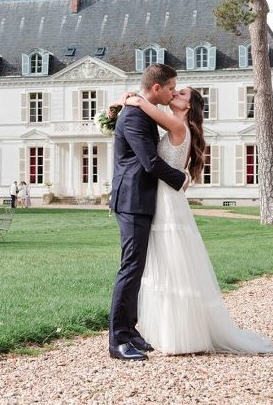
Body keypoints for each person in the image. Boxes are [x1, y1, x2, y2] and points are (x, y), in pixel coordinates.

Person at [122, 87, 273, 356]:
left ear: (188, 106)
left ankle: (179, 336)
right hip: (165, 196)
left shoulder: (177, 124)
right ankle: (169, 332)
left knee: (171, 263)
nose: (175, 94)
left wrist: (132, 99)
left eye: (181, 94)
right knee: (166, 263)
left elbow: (145, 106)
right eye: (175, 90)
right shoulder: (178, 125)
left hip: (167, 200)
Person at [107, 64, 189, 362]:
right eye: (170, 88)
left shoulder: (143, 112)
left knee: (137, 268)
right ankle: (118, 340)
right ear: (156, 88)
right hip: (131, 200)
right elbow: (150, 162)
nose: (172, 93)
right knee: (130, 268)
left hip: (141, 199)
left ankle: (130, 331)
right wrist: (181, 180)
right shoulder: (134, 116)